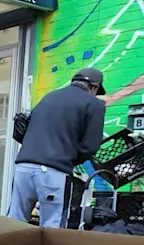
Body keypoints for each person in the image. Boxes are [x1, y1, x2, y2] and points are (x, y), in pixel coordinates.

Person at [8, 67, 106, 228]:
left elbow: (26, 128)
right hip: (53, 173)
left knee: (14, 223)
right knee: (52, 229)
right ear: (93, 87)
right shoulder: (94, 104)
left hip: (23, 168)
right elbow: (91, 146)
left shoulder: (49, 97)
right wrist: (69, 160)